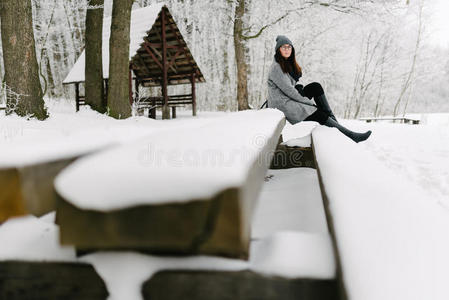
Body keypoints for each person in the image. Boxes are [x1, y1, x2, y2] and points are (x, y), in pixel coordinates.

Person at [267, 35, 372, 143]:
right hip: (282, 103)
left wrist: (298, 88)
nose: (287, 50)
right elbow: (289, 91)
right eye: (283, 47)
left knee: (315, 87)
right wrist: (308, 102)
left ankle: (335, 125)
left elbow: (288, 87)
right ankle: (350, 135)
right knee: (317, 113)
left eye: (289, 47)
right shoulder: (276, 67)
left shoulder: (286, 63)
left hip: (287, 97)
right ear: (278, 50)